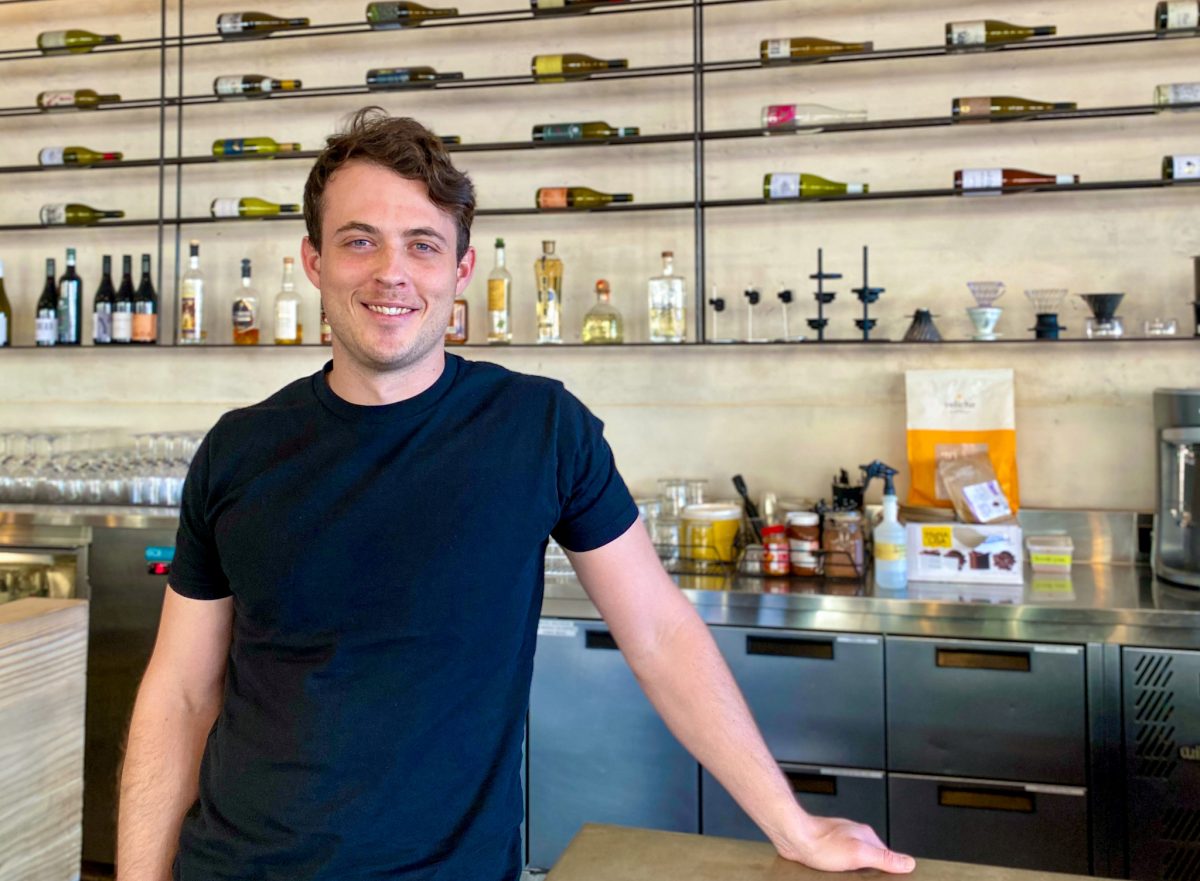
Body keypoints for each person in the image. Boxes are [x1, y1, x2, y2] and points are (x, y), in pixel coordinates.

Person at [116, 107, 916, 881]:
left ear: (460, 270)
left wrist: (792, 823)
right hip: (238, 865)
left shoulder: (540, 428)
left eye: (422, 245)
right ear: (315, 261)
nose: (391, 272)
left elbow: (660, 633)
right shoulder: (239, 447)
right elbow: (180, 690)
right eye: (359, 241)